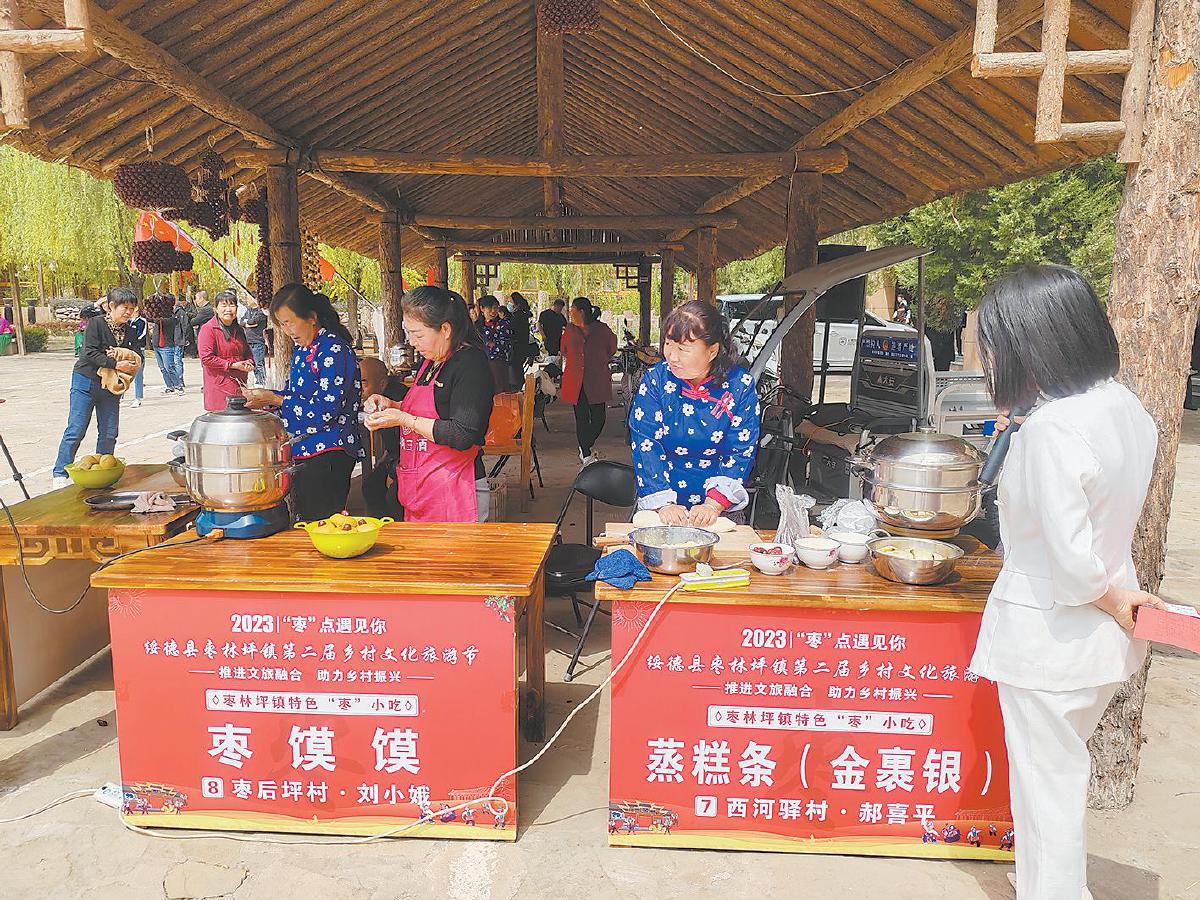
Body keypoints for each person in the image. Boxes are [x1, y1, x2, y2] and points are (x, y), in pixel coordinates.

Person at [968, 265, 1164, 900]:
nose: (986, 358)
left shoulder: (1053, 429)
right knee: (1050, 778)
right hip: (1099, 645)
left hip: (1048, 637)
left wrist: (1109, 595)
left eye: (992, 345)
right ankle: (1040, 880)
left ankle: (1052, 891)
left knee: (1047, 786)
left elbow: (1073, 562)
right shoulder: (1122, 405)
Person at [364, 286, 494, 523]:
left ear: (445, 329)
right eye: (409, 334)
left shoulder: (471, 364)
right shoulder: (430, 361)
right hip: (420, 488)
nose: (412, 342)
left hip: (454, 490)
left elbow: (462, 434)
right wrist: (390, 404)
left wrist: (404, 419)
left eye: (418, 335)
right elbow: (427, 407)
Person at [628, 300, 761, 526]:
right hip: (661, 503)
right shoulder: (655, 380)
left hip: (719, 509)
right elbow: (645, 442)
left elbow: (740, 450)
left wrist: (713, 504)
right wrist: (663, 503)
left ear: (712, 351)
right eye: (669, 344)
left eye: (683, 348)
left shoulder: (740, 386)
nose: (672, 356)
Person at [242, 284, 363, 521]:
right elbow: (294, 396)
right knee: (306, 524)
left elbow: (325, 411)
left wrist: (275, 399)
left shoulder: (333, 350)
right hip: (304, 450)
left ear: (312, 317)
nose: (287, 331)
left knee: (323, 525)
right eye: (282, 325)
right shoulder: (304, 349)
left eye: (290, 322)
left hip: (328, 453)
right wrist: (264, 398)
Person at [52, 287, 142, 486]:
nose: (128, 312)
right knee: (76, 428)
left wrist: (122, 354)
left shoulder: (130, 330)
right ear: (111, 306)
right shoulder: (95, 324)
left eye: (132, 308)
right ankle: (60, 473)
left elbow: (137, 355)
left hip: (110, 387)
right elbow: (89, 353)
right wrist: (115, 363)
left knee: (109, 431)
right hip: (85, 381)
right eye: (125, 307)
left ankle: (103, 470)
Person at [561, 297, 617, 466]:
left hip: (596, 379)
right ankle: (585, 453)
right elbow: (563, 350)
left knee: (599, 418)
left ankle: (586, 444)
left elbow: (611, 348)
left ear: (582, 312)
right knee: (581, 417)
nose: (570, 313)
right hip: (576, 381)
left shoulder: (602, 330)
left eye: (573, 310)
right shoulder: (569, 330)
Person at [358, 356, 407, 519]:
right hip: (394, 456)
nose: (359, 389)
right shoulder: (378, 399)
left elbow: (402, 443)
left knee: (394, 496)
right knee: (370, 486)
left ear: (382, 384)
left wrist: (393, 473)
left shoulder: (394, 399)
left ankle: (396, 532)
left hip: (411, 458)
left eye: (364, 383)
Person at [198, 290, 254, 412]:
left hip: (239, 385)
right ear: (216, 309)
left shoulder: (239, 330)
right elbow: (206, 358)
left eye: (232, 305)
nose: (228, 309)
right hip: (219, 386)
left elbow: (247, 352)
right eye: (224, 305)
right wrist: (232, 365)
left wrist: (249, 362)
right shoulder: (208, 329)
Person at [477, 294, 512, 392]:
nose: (493, 311)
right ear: (482, 308)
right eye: (490, 308)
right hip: (480, 364)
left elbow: (505, 344)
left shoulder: (503, 324)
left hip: (497, 362)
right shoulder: (477, 326)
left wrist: (490, 344)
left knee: (499, 390)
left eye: (495, 308)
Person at [242, 293, 269, 386]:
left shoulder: (261, 312)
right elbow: (242, 321)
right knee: (251, 362)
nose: (247, 300)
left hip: (258, 341)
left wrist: (248, 323)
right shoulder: (248, 310)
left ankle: (261, 381)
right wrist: (247, 323)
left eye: (248, 298)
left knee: (259, 363)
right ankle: (256, 380)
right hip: (248, 341)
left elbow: (253, 322)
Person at [508, 291, 534, 389]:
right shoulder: (523, 314)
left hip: (518, 345)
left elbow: (514, 329)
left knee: (516, 368)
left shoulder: (518, 315)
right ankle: (519, 385)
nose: (509, 303)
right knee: (518, 367)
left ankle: (518, 386)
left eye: (510, 301)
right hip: (522, 344)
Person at [126, 305, 148, 408]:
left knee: (138, 375)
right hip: (127, 350)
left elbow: (142, 334)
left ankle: (138, 398)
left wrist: (134, 340)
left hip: (138, 349)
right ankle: (120, 396)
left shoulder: (142, 321)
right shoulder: (127, 321)